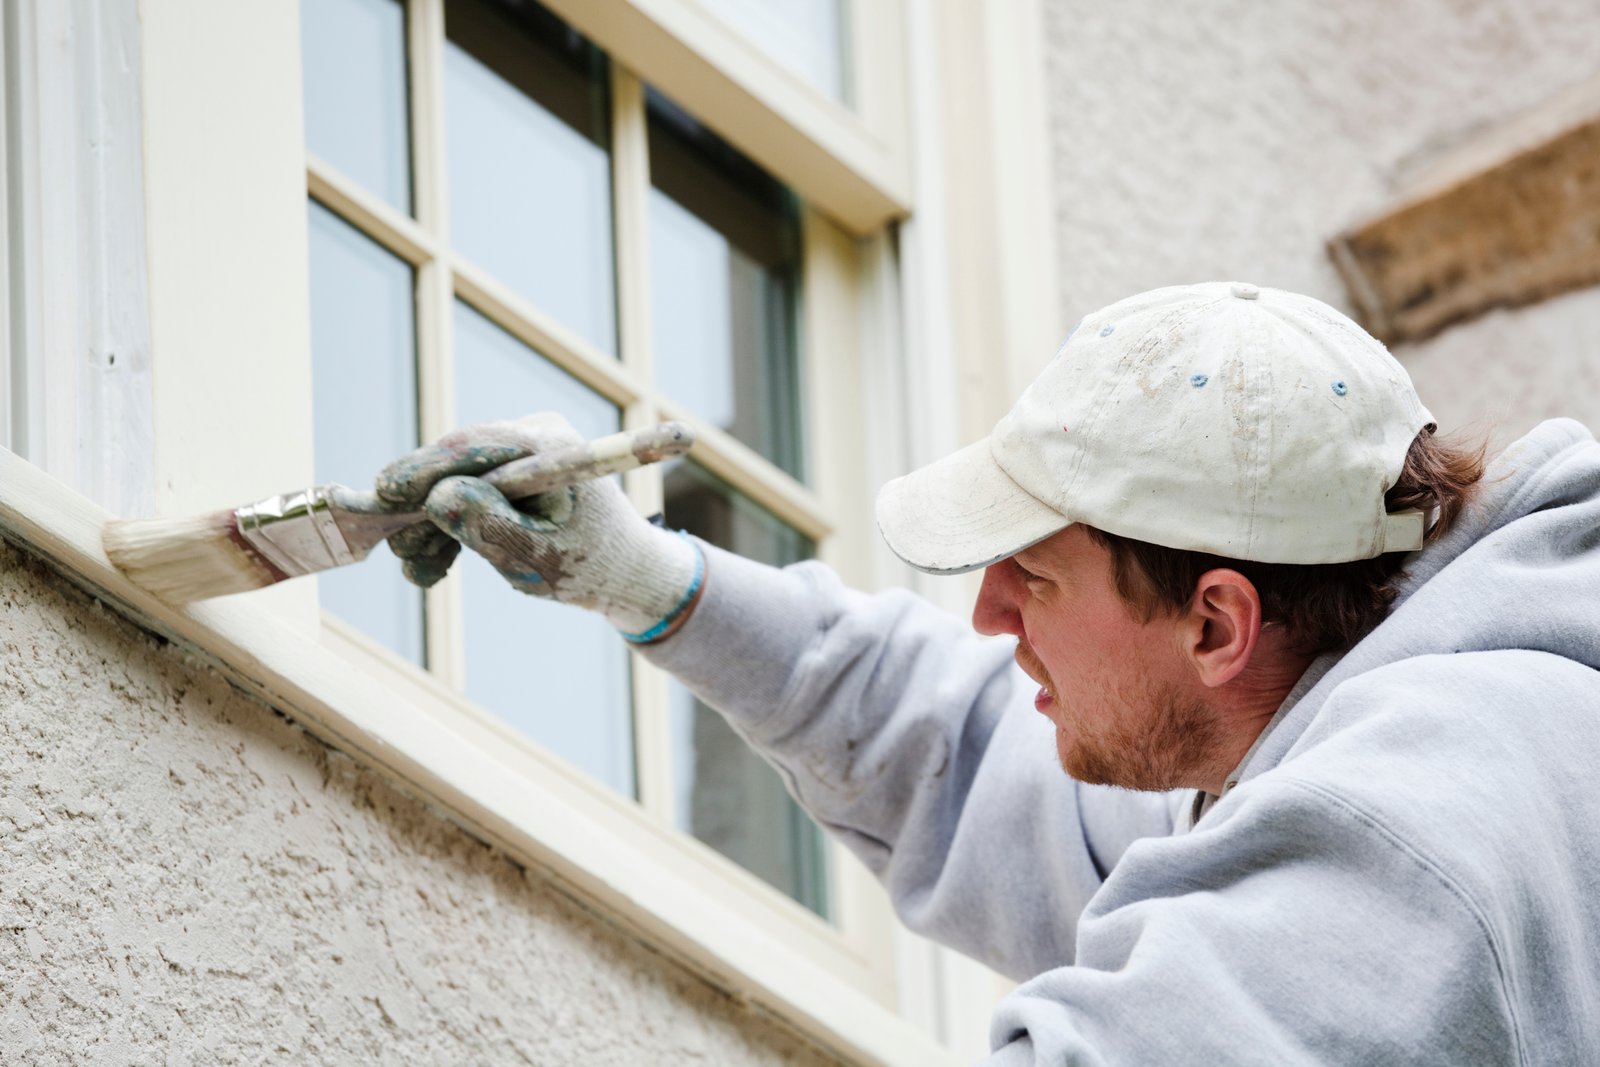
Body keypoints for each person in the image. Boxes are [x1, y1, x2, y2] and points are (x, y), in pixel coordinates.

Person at [375, 282, 1600, 1064]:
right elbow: (961, 748)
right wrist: (638, 574)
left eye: (1037, 576)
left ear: (1218, 623)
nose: (990, 609)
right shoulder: (1320, 705)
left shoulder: (1422, 821)